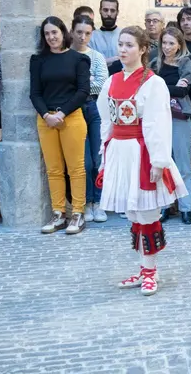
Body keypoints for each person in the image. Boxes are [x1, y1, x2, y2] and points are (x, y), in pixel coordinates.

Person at [97, 26, 187, 296]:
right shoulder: (111, 81)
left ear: (143, 49)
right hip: (120, 151)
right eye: (121, 45)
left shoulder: (153, 82)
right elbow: (106, 120)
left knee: (146, 212)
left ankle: (151, 271)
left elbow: (158, 123)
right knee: (132, 212)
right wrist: (105, 155)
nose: (123, 50)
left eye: (129, 45)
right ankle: (143, 267)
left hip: (142, 152)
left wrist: (159, 160)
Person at [30, 16, 90, 234]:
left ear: (63, 32)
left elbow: (83, 91)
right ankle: (58, 213)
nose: (51, 37)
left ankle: (78, 213)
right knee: (53, 169)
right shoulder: (38, 60)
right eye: (46, 34)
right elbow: (35, 93)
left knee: (76, 168)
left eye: (54, 32)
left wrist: (62, 113)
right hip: (46, 119)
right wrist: (47, 115)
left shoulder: (78, 59)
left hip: (71, 118)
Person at [151, 27, 191, 224]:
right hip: (158, 118)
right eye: (164, 43)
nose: (167, 47)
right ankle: (165, 206)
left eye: (171, 43)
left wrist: (159, 87)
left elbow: (181, 91)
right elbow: (145, 88)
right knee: (162, 163)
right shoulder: (155, 62)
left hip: (179, 117)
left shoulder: (186, 62)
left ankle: (186, 207)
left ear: (179, 44)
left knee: (183, 164)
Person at [70, 15, 110, 224]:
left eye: (87, 33)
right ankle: (85, 202)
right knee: (82, 160)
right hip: (74, 109)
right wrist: (86, 81)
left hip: (95, 107)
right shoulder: (67, 56)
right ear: (72, 32)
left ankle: (99, 202)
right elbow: (68, 85)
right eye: (79, 32)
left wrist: (82, 82)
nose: (83, 36)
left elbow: (101, 83)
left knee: (97, 157)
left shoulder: (97, 56)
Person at [89, 0, 122, 74]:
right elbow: (91, 63)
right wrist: (115, 59)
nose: (109, 14)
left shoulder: (124, 35)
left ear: (117, 12)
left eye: (112, 10)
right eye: (105, 10)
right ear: (100, 11)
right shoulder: (91, 37)